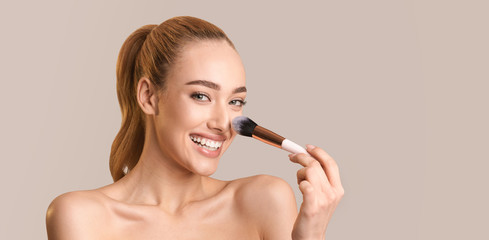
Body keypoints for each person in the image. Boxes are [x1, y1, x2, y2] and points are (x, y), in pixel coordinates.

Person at [46, 16, 344, 240]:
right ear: (149, 97)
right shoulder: (83, 217)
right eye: (201, 96)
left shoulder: (264, 200)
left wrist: (312, 235)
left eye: (236, 101)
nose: (222, 123)